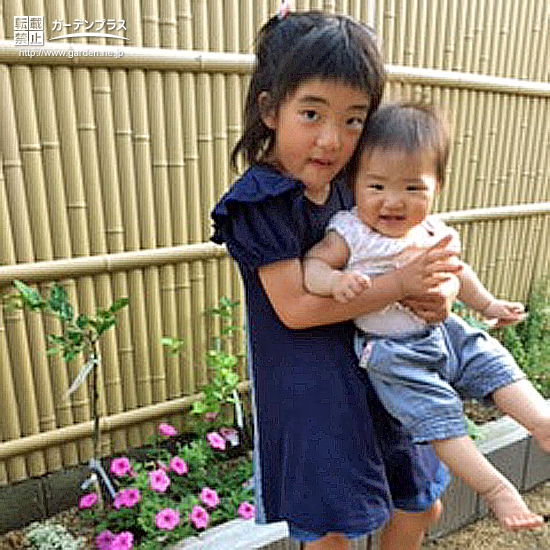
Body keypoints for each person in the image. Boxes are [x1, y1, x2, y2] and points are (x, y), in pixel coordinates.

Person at [211, 11, 463, 550]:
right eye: (312, 113)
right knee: (331, 535)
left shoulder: (359, 183)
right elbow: (296, 308)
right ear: (270, 110)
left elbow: (419, 251)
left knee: (421, 501)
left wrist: (438, 294)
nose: (332, 138)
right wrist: (399, 286)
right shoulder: (261, 203)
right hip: (312, 392)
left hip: (384, 369)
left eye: (354, 119)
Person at [303, 102, 550, 531]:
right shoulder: (351, 232)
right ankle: (495, 488)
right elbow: (313, 266)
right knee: (438, 418)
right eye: (376, 186)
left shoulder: (434, 230)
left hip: (444, 331)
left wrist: (487, 305)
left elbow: (460, 273)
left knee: (490, 359)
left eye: (413, 189)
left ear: (437, 186)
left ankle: (542, 422)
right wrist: (334, 283)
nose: (393, 202)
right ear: (354, 183)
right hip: (392, 354)